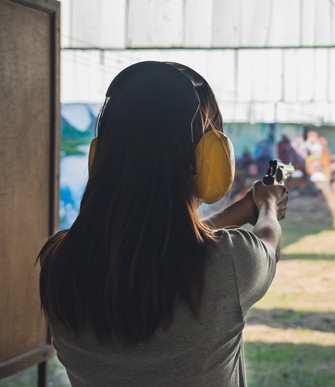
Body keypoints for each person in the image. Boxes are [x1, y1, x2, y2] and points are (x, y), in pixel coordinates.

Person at [37, 61, 288, 386]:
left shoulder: (57, 261)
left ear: (100, 157)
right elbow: (269, 240)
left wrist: (241, 210)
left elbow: (153, 244)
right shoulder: (230, 264)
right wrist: (266, 202)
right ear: (205, 158)